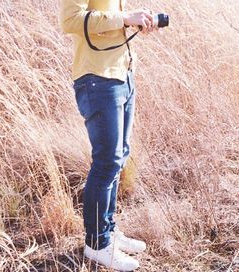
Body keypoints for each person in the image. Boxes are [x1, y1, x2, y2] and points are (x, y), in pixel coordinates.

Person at [60, 1, 157, 270]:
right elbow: (70, 20)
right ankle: (97, 244)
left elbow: (110, 21)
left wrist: (132, 22)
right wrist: (124, 17)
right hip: (97, 79)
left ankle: (108, 231)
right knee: (106, 162)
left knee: (118, 158)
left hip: (122, 75)